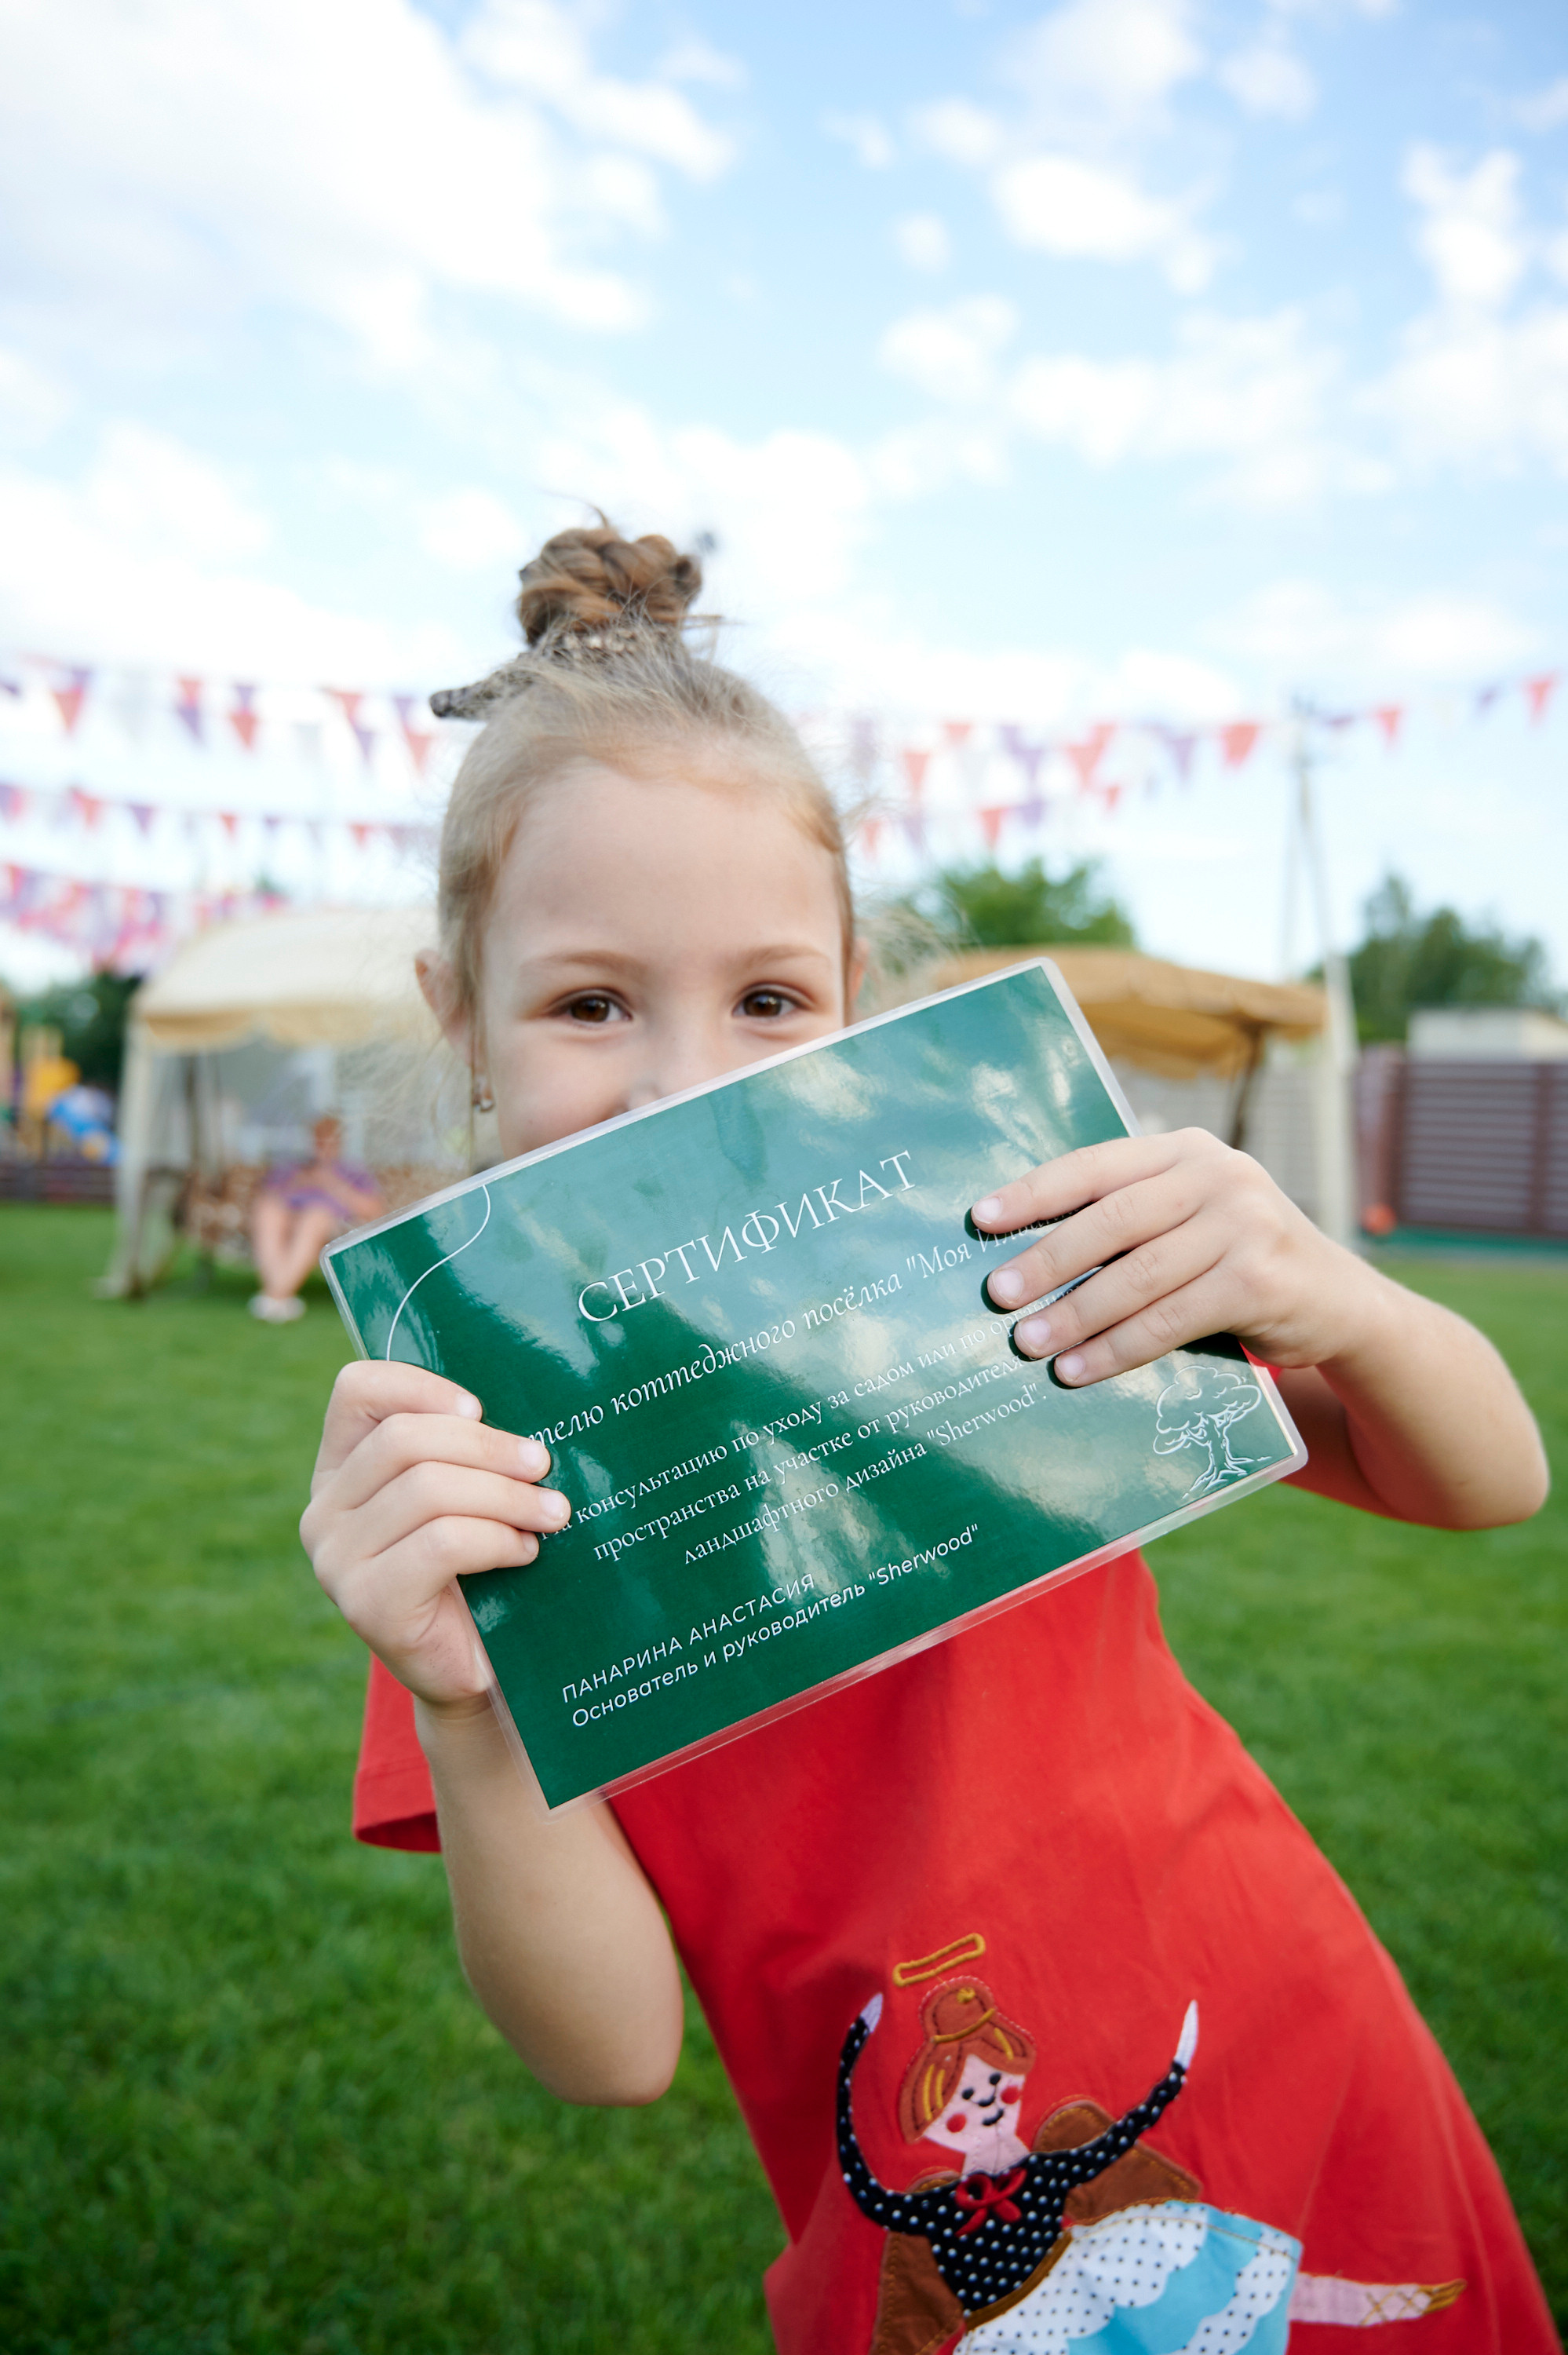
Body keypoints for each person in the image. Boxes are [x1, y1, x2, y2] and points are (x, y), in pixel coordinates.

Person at [299, 523, 1555, 2353]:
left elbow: (1487, 1478)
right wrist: (464, 1701)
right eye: (589, 1003)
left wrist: (1327, 1290)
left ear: (852, 1006)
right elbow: (611, 2048)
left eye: (768, 999)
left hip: (1291, 2055)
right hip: (948, 2252)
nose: (684, 1082)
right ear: (461, 1026)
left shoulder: (994, 1273)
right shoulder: (479, 1486)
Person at [248, 1115, 383, 1322]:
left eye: (330, 1141)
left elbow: (373, 1209)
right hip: (289, 1217)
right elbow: (272, 1196)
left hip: (325, 1220)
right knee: (267, 1210)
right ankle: (279, 1296)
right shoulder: (295, 1169)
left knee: (316, 1216)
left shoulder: (353, 1172)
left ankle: (276, 1294)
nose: (324, 1147)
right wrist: (299, 1183)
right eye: (319, 1141)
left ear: (340, 1143)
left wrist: (332, 1184)